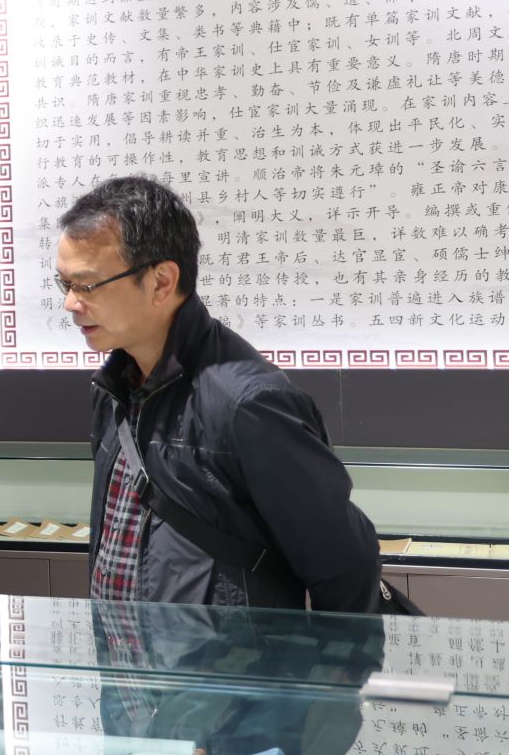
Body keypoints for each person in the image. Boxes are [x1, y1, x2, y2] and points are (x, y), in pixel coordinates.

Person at [55, 175, 382, 611]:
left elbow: (347, 568)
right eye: (65, 284)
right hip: (126, 655)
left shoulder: (249, 404)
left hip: (229, 656)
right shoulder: (114, 387)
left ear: (161, 282)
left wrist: (327, 659)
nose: (71, 303)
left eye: (87, 285)